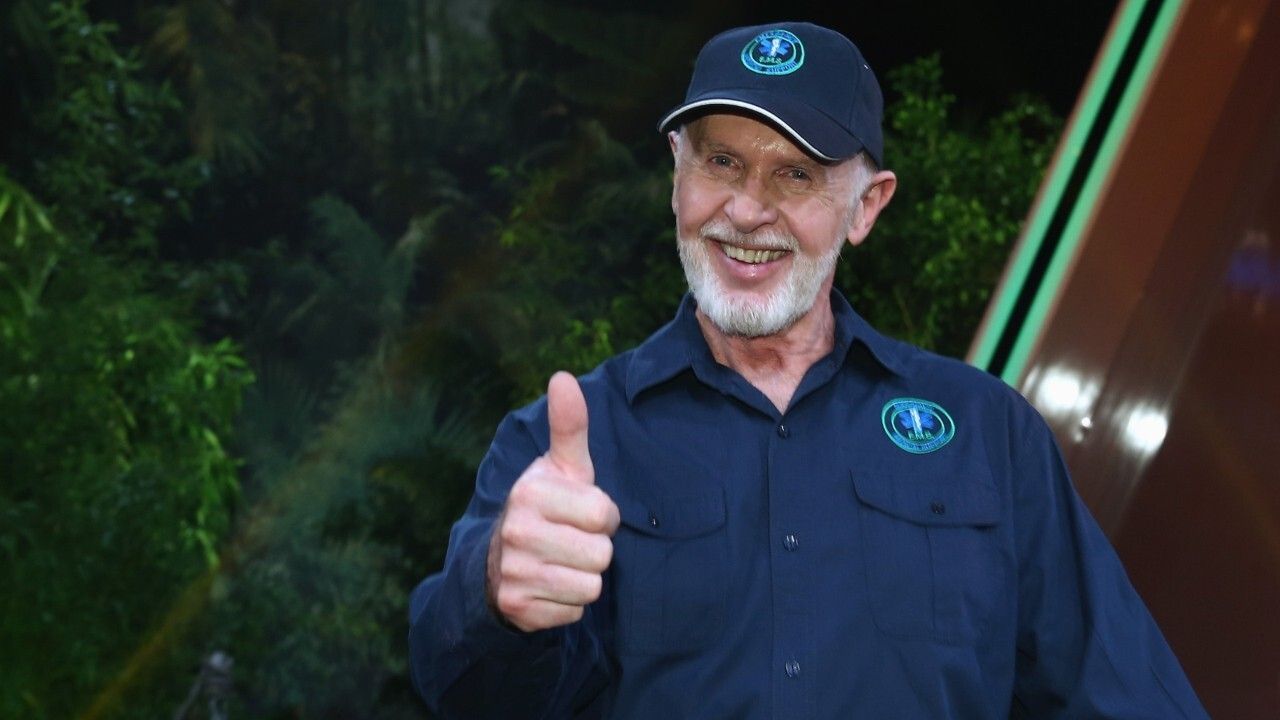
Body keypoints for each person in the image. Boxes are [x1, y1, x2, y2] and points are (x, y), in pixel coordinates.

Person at [408, 21, 1208, 719]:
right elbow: (468, 695)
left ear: (867, 206)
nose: (747, 209)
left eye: (796, 174)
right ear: (677, 173)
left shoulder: (988, 434)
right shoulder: (567, 448)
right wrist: (494, 595)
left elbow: (1123, 695)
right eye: (722, 162)